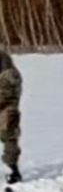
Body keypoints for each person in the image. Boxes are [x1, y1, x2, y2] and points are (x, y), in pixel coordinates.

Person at [0, 51, 21, 184]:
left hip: (7, 112)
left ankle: (13, 171)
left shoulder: (10, 76)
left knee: (9, 139)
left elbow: (4, 97)